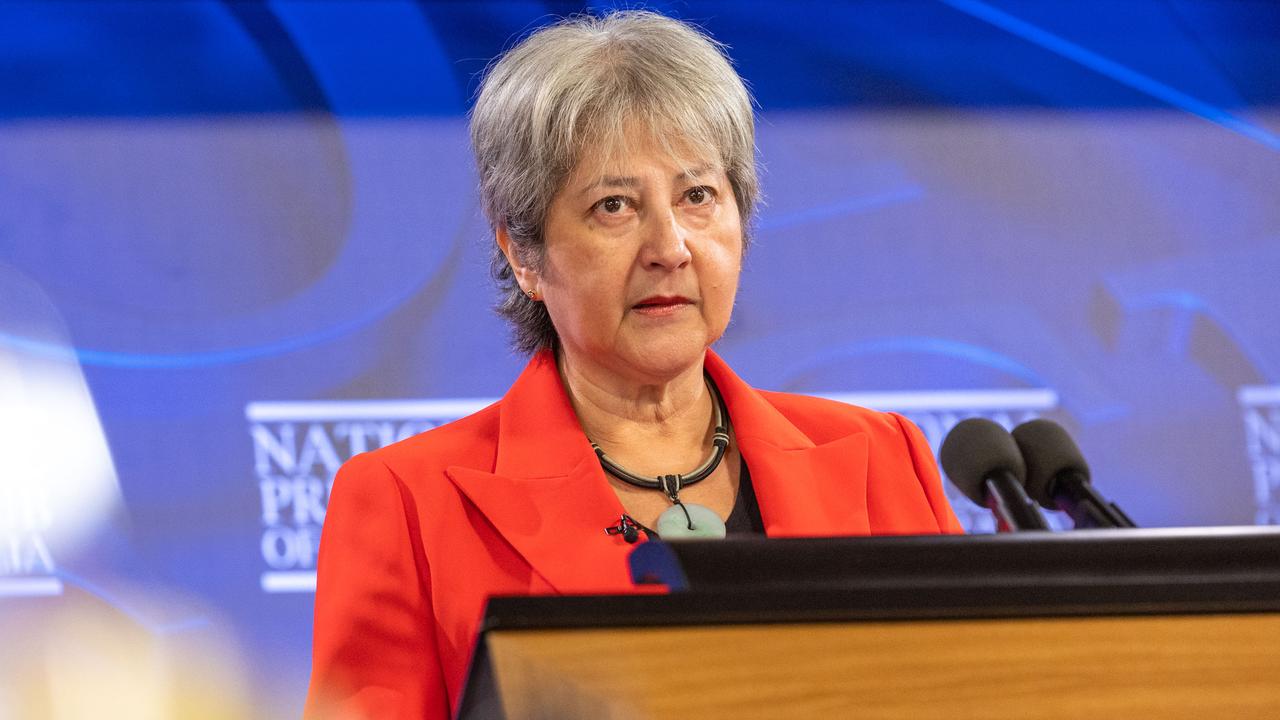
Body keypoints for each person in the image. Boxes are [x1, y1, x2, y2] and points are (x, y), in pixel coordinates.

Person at [305, 10, 961, 719]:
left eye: (698, 197)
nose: (670, 246)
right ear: (524, 254)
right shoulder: (408, 502)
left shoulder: (881, 457)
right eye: (614, 206)